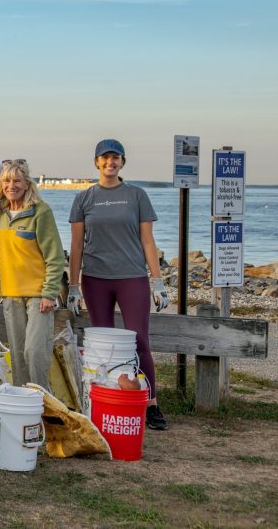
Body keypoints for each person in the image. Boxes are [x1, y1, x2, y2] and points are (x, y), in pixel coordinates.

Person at [67, 139, 170, 431]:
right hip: (96, 279)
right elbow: (76, 246)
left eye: (115, 158)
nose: (110, 163)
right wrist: (73, 287)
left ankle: (150, 403)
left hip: (132, 277)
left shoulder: (136, 195)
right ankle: (103, 400)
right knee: (102, 345)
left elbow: (147, 240)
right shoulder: (84, 198)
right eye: (105, 158)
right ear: (96, 162)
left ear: (122, 162)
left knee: (140, 342)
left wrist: (158, 281)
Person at [0, 159, 65, 389]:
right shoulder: (2, 215)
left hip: (38, 296)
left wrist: (49, 293)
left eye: (16, 180)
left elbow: (55, 256)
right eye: (6, 180)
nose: (11, 185)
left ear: (27, 184)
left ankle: (43, 404)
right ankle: (21, 409)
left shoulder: (41, 212)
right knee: (17, 356)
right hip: (10, 295)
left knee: (34, 352)